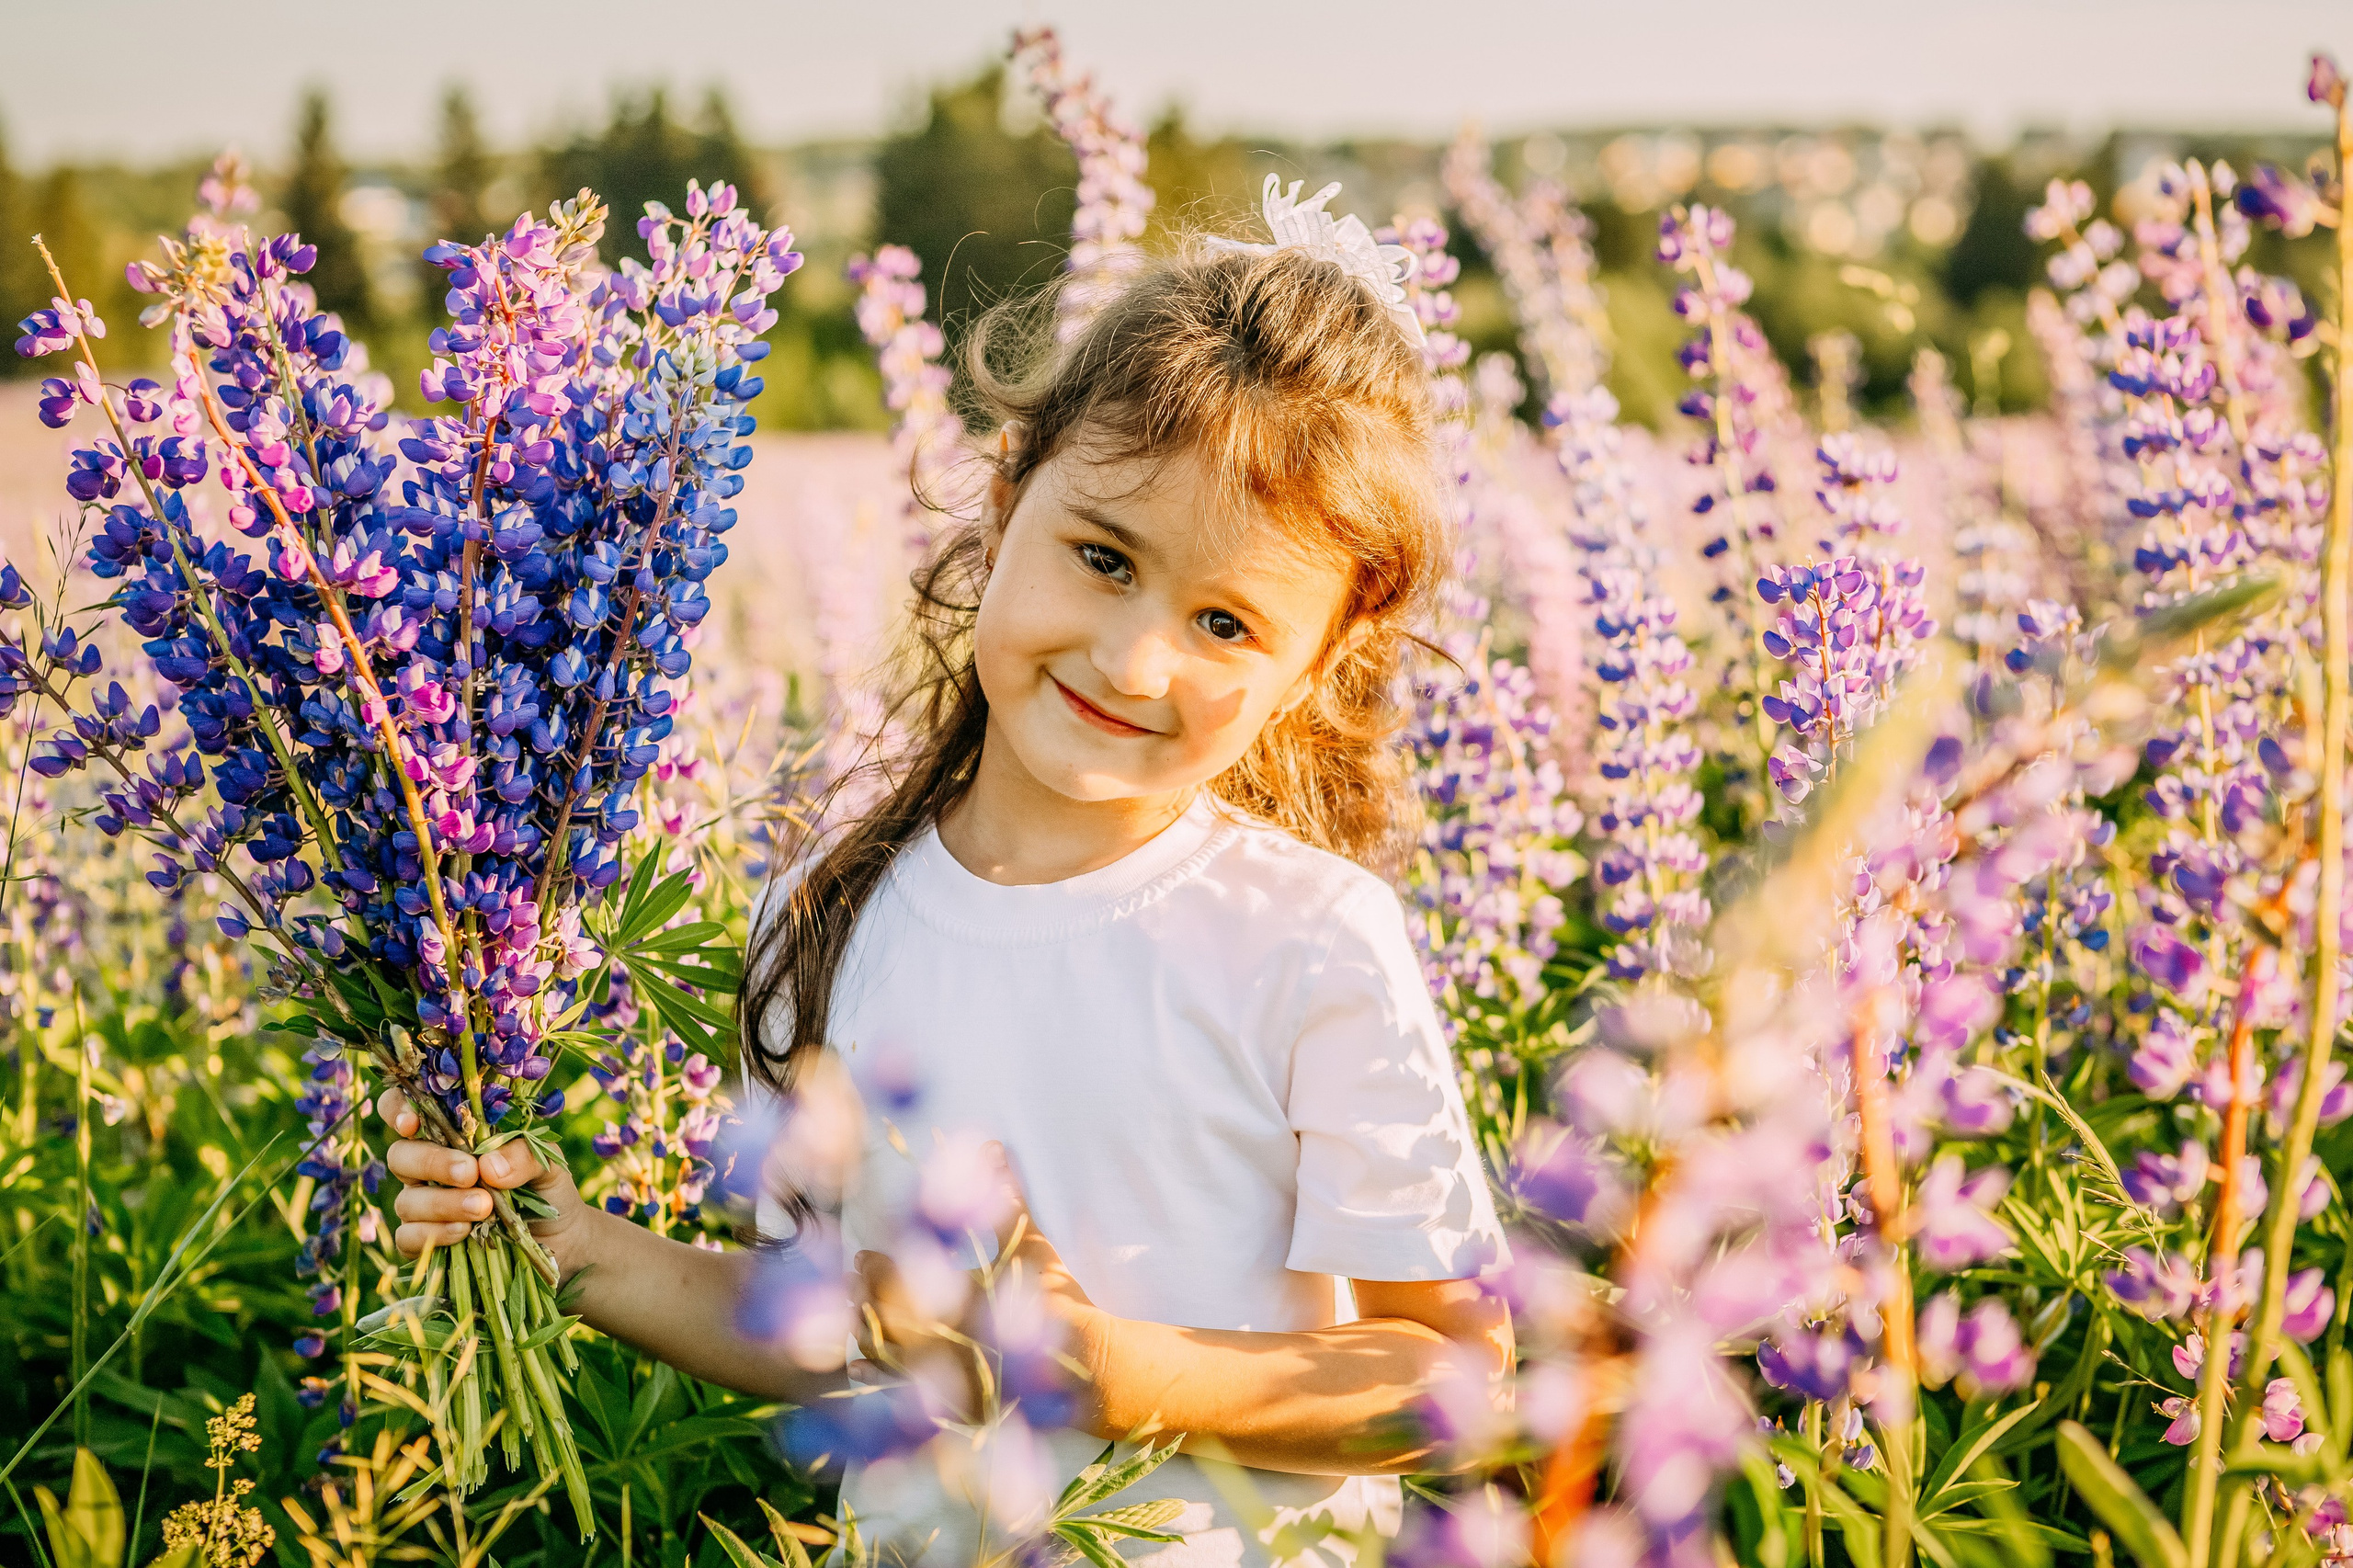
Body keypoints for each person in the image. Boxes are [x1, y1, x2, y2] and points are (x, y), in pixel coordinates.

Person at [381, 176, 1512, 1567]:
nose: (1133, 658)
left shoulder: (1314, 938)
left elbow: (1446, 1373)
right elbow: (833, 1321)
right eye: (1104, 557)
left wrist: (1108, 1368)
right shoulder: (836, 910)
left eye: (1225, 621)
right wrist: (568, 1240)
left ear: (1313, 668)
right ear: (1006, 487)